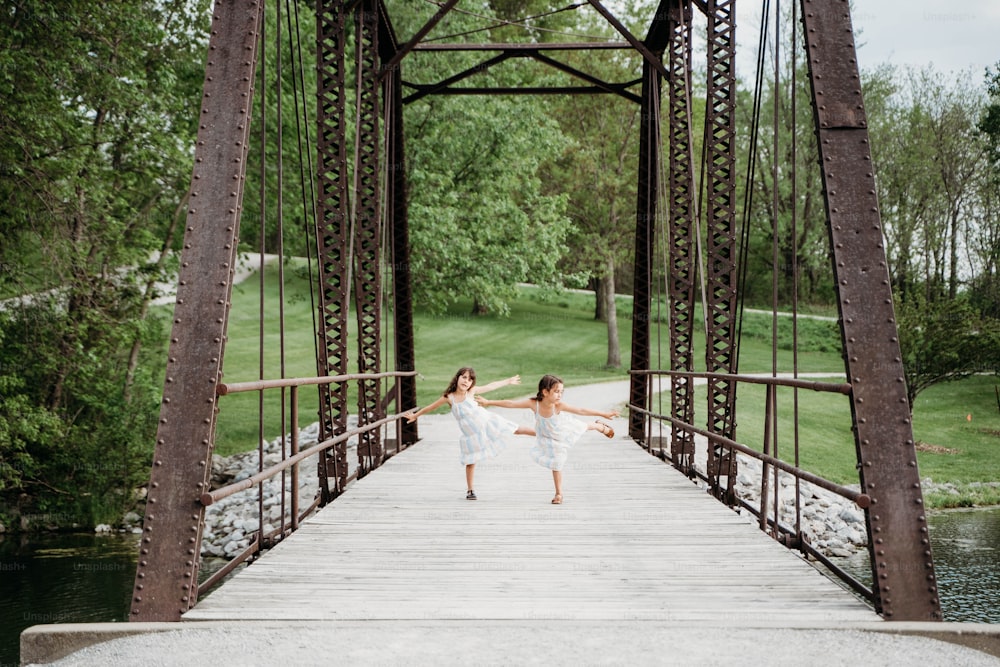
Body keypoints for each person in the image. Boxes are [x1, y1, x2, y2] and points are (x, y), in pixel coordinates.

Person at [476, 374, 617, 505]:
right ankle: (559, 492)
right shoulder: (534, 403)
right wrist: (488, 402)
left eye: (561, 391)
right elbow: (512, 403)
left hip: (561, 431)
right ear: (545, 392)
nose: (560, 395)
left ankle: (559, 493)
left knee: (581, 429)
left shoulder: (559, 406)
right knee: (555, 460)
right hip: (546, 435)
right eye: (556, 391)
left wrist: (603, 413)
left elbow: (581, 410)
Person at [404, 367, 533, 500]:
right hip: (471, 434)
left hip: (487, 423)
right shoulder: (449, 397)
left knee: (514, 429)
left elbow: (490, 386)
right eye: (464, 377)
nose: (466, 381)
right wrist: (415, 416)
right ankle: (470, 490)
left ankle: (541, 433)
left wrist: (508, 381)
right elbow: (430, 407)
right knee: (470, 461)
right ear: (457, 378)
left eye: (470, 379)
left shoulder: (471, 392)